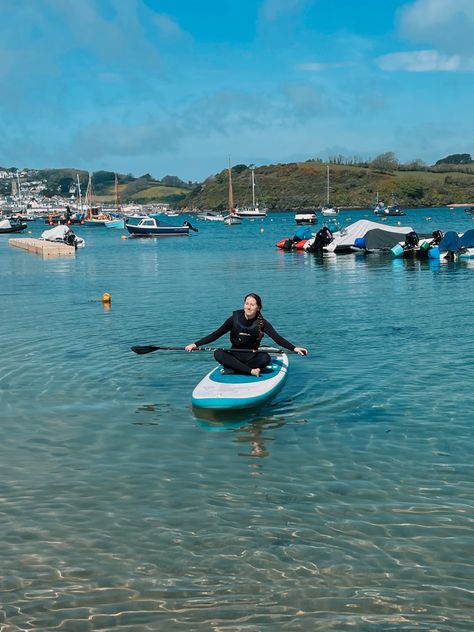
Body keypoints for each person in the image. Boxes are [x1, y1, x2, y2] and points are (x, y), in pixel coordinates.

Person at [185, 293, 307, 377]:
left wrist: (294, 348)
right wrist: (195, 344)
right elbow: (216, 334)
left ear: (258, 307)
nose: (248, 307)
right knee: (217, 353)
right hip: (234, 355)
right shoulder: (234, 319)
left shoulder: (262, 323)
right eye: (246, 303)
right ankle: (250, 371)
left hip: (252, 358)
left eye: (252, 305)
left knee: (265, 358)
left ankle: (234, 369)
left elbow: (277, 338)